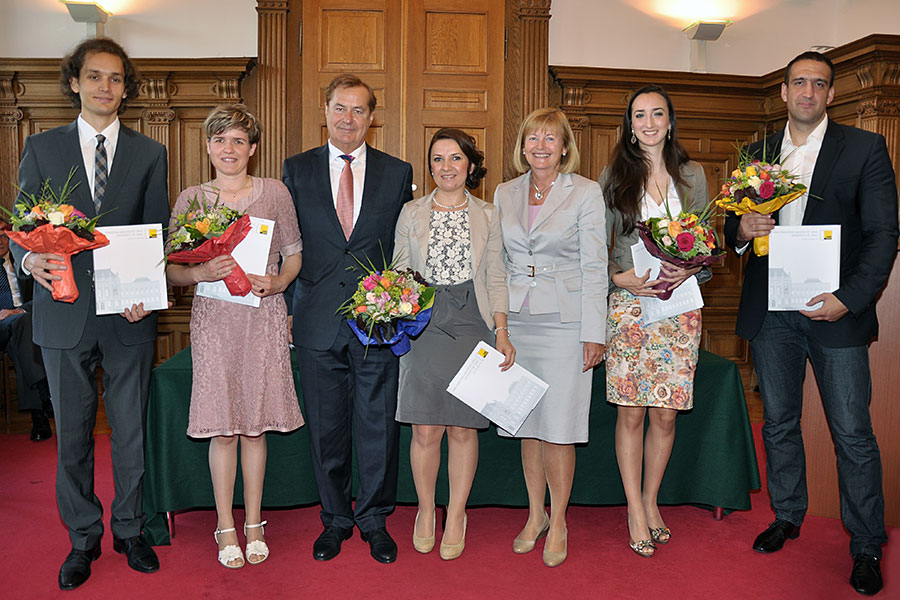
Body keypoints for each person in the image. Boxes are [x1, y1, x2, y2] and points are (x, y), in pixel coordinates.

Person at [724, 51, 898, 596]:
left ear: (830, 94)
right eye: (799, 83)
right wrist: (741, 228)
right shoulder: (756, 152)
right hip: (773, 310)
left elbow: (883, 234)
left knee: (852, 431)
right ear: (783, 91)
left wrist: (849, 299)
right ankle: (788, 514)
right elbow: (734, 232)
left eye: (818, 85)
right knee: (777, 423)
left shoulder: (864, 147)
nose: (807, 92)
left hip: (834, 311)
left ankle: (866, 544)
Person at [12, 38, 169, 590]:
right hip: (62, 312)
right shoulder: (41, 147)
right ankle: (83, 538)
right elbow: (21, 225)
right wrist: (30, 258)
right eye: (96, 77)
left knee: (131, 433)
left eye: (117, 79)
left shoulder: (151, 153)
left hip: (128, 315)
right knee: (73, 434)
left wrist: (145, 292)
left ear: (127, 88)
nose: (106, 87)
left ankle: (130, 530)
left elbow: (157, 234)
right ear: (75, 82)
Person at [165, 104, 304, 569]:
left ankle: (255, 522)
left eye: (239, 140)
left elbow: (294, 254)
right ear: (208, 146)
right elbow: (170, 272)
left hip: (262, 318)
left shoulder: (275, 193)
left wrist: (279, 283)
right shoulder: (191, 199)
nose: (230, 149)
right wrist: (203, 269)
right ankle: (225, 525)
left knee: (254, 425)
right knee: (223, 428)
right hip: (215, 321)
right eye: (221, 140)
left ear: (253, 149)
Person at [282, 74, 413, 564]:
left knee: (378, 426)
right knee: (326, 429)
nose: (348, 119)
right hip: (315, 321)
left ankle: (375, 518)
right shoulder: (294, 170)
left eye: (359, 111)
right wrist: (290, 309)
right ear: (325, 109)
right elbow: (286, 247)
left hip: (375, 323)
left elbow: (402, 250)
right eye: (340, 108)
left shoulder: (397, 172)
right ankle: (335, 519)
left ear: (372, 118)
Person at [392, 128, 515, 560]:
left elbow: (497, 275)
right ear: (430, 167)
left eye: (455, 158)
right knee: (426, 427)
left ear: (470, 165)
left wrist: (501, 330)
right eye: (438, 159)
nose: (446, 166)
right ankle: (426, 511)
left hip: (472, 320)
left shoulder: (488, 214)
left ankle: (457, 513)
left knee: (463, 427)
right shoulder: (410, 212)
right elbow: (399, 269)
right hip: (423, 320)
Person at [495, 107, 607, 567]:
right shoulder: (504, 192)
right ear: (522, 147)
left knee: (559, 427)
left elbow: (595, 264)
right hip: (518, 322)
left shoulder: (585, 192)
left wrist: (593, 331)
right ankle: (535, 514)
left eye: (550, 139)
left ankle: (559, 520)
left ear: (565, 147)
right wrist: (498, 324)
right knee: (525, 422)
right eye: (532, 138)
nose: (540, 146)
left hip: (566, 321)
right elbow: (496, 262)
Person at [600, 85, 709, 558]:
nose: (647, 123)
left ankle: (651, 500)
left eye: (656, 114)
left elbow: (707, 248)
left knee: (665, 414)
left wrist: (692, 264)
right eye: (638, 115)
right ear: (629, 124)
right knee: (631, 411)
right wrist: (619, 278)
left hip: (681, 308)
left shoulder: (693, 175)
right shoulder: (612, 177)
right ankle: (633, 508)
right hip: (630, 307)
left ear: (670, 121)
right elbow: (595, 252)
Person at [0, 220, 53, 441]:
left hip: (22, 324)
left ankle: (39, 418)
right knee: (26, 334)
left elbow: (42, 298)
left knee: (22, 339)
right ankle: (44, 395)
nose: (1, 240)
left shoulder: (27, 265)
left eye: (5, 234)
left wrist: (19, 311)